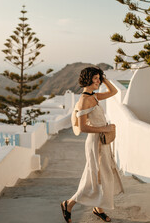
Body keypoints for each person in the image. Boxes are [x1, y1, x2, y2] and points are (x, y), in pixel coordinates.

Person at [61, 67, 124, 223]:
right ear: (87, 79)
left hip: (102, 142)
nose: (98, 82)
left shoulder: (94, 96)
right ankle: (68, 204)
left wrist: (104, 78)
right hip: (95, 143)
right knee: (93, 177)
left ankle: (98, 208)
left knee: (101, 175)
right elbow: (82, 128)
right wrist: (105, 128)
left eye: (99, 78)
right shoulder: (84, 100)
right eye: (95, 78)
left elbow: (113, 91)